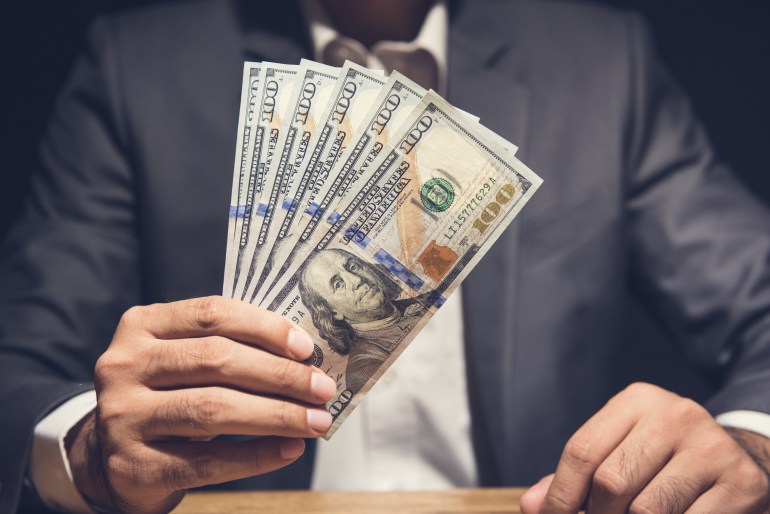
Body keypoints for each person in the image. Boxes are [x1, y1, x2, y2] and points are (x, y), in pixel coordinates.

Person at [2, 0, 770, 513]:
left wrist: (745, 448)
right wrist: (92, 447)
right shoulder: (137, 66)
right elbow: (17, 364)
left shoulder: (602, 62)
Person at [298, 248, 433, 393]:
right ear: (333, 312)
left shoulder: (431, 299)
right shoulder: (364, 367)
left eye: (353, 267)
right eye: (338, 284)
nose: (357, 280)